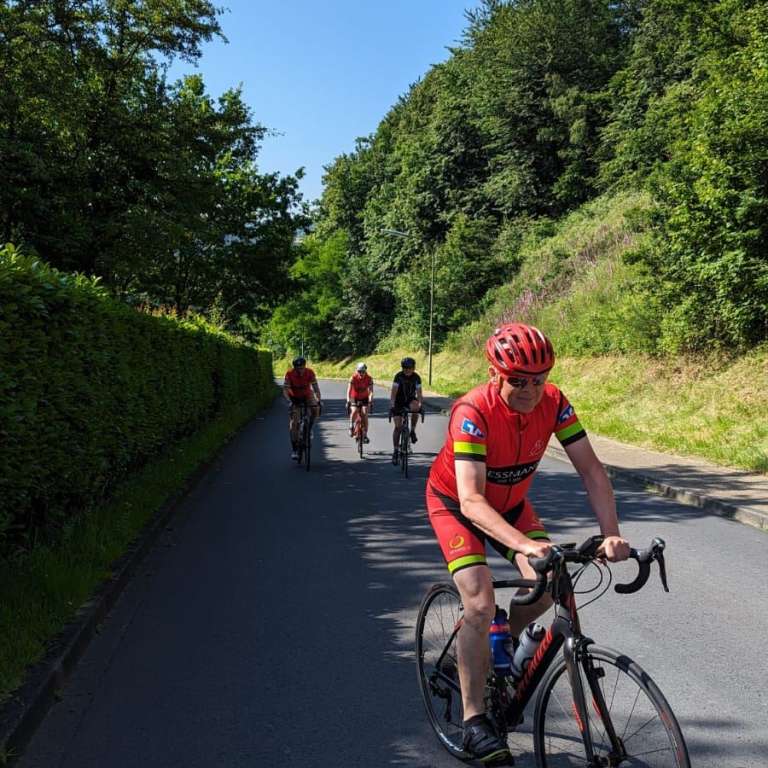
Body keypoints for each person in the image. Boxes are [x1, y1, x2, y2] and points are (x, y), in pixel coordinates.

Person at [425, 323, 630, 764]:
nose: (530, 391)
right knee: (479, 602)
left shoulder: (554, 403)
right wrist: (526, 546)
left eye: (539, 380)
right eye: (518, 380)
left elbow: (592, 471)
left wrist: (611, 532)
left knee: (550, 585)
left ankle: (505, 653)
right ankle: (474, 720)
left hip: (512, 505)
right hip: (456, 505)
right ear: (494, 373)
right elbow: (472, 500)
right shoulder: (472, 411)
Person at [283, 356, 322, 460]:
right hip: (294, 397)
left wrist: (318, 399)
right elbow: (285, 390)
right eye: (298, 368)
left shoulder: (310, 372)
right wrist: (289, 401)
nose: (300, 370)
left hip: (307, 395)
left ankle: (309, 428)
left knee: (315, 409)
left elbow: (316, 388)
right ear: (294, 367)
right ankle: (295, 449)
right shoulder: (289, 374)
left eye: (302, 367)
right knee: (294, 423)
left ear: (305, 366)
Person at [389, 356, 423, 465]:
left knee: (416, 408)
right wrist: (392, 404)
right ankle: (395, 451)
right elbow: (393, 393)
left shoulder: (416, 377)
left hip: (410, 400)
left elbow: (419, 393)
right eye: (405, 368)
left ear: (413, 368)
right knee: (398, 427)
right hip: (398, 401)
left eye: (409, 368)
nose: (407, 370)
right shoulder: (398, 376)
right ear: (402, 368)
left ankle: (412, 430)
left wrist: (420, 404)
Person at [346, 362, 374, 443]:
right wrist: (348, 400)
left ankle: (365, 434)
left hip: (364, 398)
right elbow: (349, 390)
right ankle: (351, 426)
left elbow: (371, 391)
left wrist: (370, 399)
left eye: (363, 371)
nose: (361, 373)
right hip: (354, 397)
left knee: (365, 413)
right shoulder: (353, 378)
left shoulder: (369, 378)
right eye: (359, 371)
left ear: (365, 371)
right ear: (356, 371)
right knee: (354, 410)